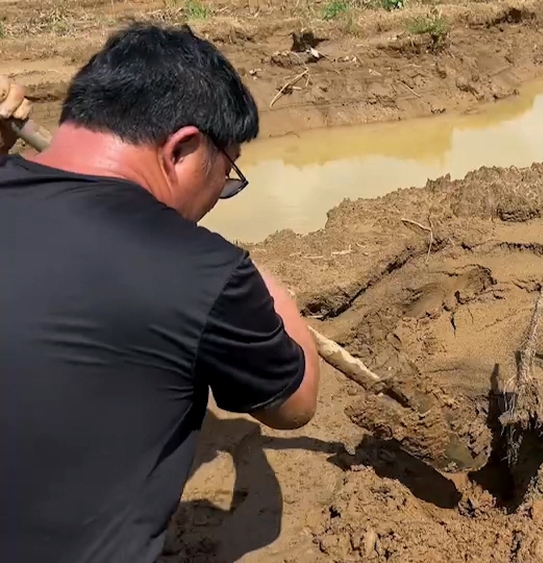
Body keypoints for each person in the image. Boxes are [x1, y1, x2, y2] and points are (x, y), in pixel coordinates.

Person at [0, 22, 320, 562]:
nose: (220, 197)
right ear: (185, 149)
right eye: (227, 176)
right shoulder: (203, 273)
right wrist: (264, 285)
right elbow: (295, 403)